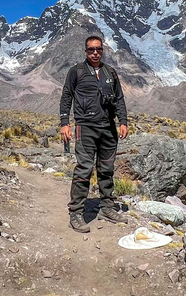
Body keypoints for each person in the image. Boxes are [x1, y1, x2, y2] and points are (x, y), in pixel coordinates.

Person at [59, 35, 129, 233]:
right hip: (85, 127)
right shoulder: (77, 72)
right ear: (85, 51)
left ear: (103, 50)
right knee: (84, 169)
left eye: (98, 49)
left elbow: (119, 99)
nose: (95, 53)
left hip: (108, 128)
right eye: (91, 50)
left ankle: (107, 207)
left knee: (106, 168)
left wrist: (123, 121)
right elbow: (66, 97)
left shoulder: (110, 72)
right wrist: (65, 123)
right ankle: (76, 212)